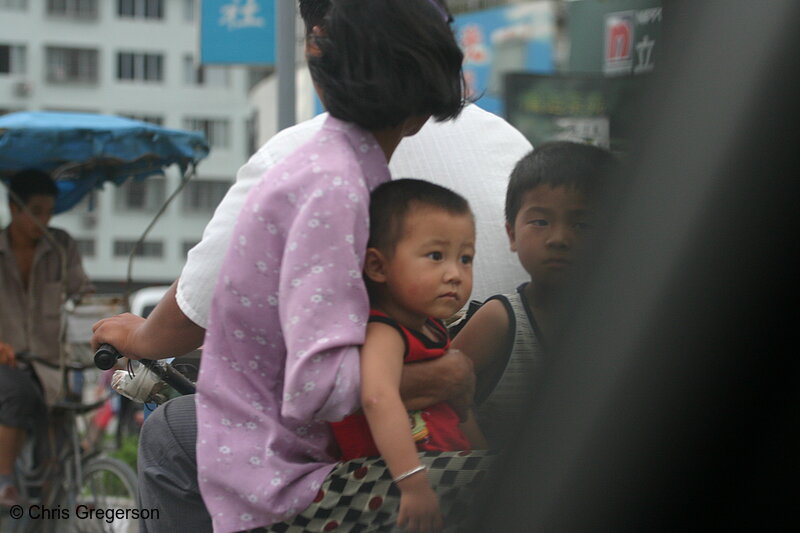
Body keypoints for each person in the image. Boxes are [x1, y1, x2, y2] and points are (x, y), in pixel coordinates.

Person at [90, 1, 529, 531]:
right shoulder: (336, 190)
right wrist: (434, 377)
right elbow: (313, 388)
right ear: (425, 102)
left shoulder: (336, 169)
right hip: (290, 474)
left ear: (320, 60)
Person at [329, 179, 487, 532]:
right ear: (378, 267)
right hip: (389, 480)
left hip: (439, 469)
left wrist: (482, 453)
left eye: (466, 258)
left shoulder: (432, 328)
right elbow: (377, 397)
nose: (455, 274)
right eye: (436, 256)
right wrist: (412, 483)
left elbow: (459, 409)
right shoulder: (382, 331)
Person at [451, 141, 619, 450]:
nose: (559, 239)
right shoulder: (500, 321)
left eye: (582, 224)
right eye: (540, 222)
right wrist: (481, 461)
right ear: (512, 234)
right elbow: (443, 396)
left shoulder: (623, 324)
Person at [0, 169, 93, 507]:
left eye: (49, 211)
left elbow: (82, 294)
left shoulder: (60, 245)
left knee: (69, 406)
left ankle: (58, 494)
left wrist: (102, 311)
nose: (44, 219)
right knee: (17, 395)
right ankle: (4, 480)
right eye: (36, 211)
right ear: (14, 208)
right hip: (7, 362)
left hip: (52, 361)